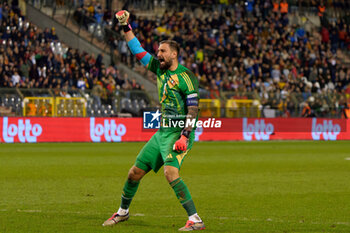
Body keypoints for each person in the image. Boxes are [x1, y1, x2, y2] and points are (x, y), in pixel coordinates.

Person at [102, 10, 205, 231]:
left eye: (163, 51)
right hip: (162, 132)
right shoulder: (159, 68)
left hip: (178, 133)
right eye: (158, 51)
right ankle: (123, 212)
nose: (158, 54)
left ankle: (195, 219)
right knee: (134, 173)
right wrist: (125, 25)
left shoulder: (187, 77)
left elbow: (194, 108)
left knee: (170, 172)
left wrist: (185, 136)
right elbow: (137, 49)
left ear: (174, 54)